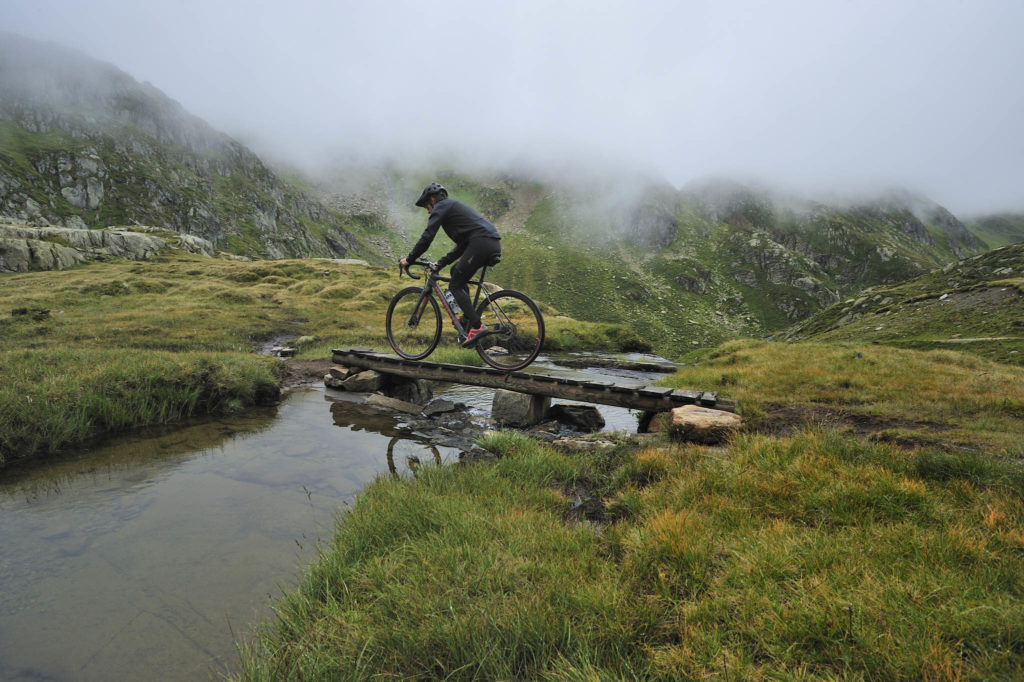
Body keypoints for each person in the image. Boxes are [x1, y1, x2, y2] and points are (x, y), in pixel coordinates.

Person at [399, 182, 502, 347]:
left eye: (427, 206)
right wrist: (441, 263)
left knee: (455, 285)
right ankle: (468, 318)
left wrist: (409, 259)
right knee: (456, 271)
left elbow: (427, 237)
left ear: (432, 200)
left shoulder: (442, 206)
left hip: (481, 242)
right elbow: (462, 246)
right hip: (489, 242)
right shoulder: (452, 209)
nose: (427, 210)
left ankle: (477, 326)